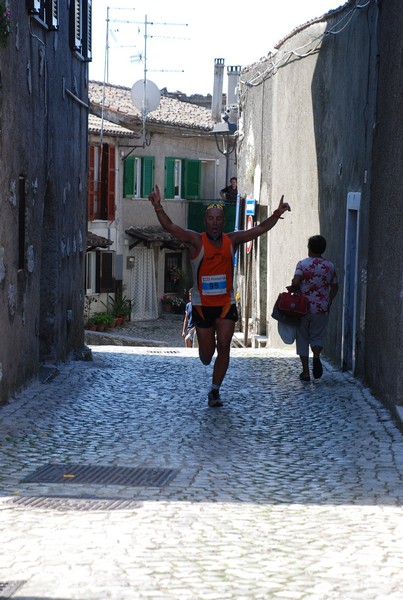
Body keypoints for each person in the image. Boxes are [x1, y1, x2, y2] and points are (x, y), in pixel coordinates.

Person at [149, 184, 291, 407]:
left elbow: (259, 230)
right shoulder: (196, 240)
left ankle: (215, 390)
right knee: (207, 356)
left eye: (218, 219)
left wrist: (277, 213)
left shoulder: (231, 240)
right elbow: (170, 227)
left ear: (223, 222)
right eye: (211, 219)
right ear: (205, 222)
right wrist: (157, 206)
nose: (215, 223)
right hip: (202, 305)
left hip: (226, 304)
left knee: (224, 346)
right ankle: (206, 352)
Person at [290, 235, 339, 382]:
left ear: (309, 248)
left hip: (303, 307)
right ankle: (316, 356)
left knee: (303, 337)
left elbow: (296, 282)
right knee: (317, 336)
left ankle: (305, 372)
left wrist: (294, 286)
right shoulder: (329, 266)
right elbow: (335, 287)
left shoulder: (302, 264)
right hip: (321, 307)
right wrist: (328, 300)